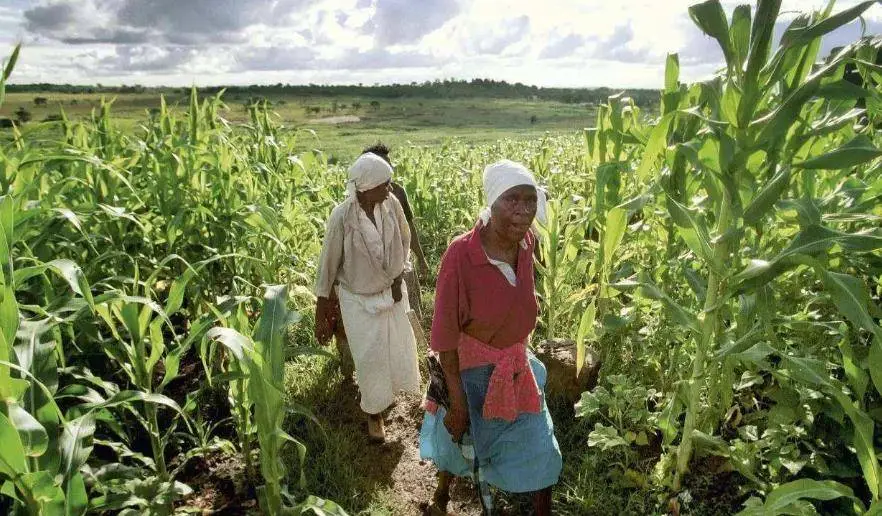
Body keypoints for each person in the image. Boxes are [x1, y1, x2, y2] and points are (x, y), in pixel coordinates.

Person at [419, 160, 561, 515]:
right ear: (492, 201)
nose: (524, 211)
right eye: (513, 200)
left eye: (530, 201)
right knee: (459, 443)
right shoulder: (462, 256)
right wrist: (459, 400)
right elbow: (446, 337)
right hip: (470, 376)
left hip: (516, 369)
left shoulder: (527, 243)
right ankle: (441, 495)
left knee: (542, 448)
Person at [314, 152, 421, 441]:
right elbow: (328, 263)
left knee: (398, 349)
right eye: (384, 184)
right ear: (365, 187)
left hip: (392, 293)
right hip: (358, 301)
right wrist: (321, 311)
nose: (389, 188)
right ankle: (374, 416)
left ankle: (389, 399)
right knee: (370, 358)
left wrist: (399, 277)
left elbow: (404, 238)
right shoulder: (342, 216)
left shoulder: (391, 205)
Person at [329, 143, 430, 384]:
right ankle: (352, 375)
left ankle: (397, 380)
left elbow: (408, 230)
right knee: (359, 336)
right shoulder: (347, 207)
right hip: (358, 284)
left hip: (394, 274)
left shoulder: (397, 194)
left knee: (398, 331)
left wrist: (420, 259)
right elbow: (336, 250)